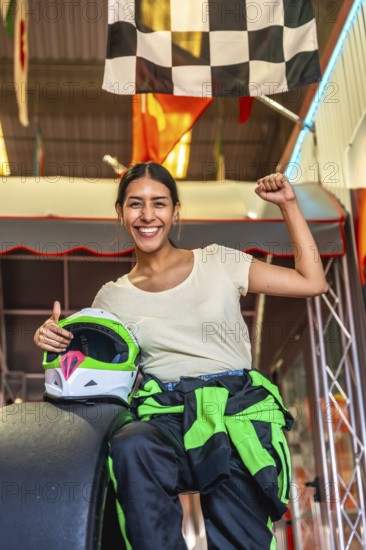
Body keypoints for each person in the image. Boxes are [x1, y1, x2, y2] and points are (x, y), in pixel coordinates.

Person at [34, 162, 327, 550]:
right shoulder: (111, 296)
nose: (148, 215)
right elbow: (89, 361)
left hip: (234, 411)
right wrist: (54, 338)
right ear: (120, 212)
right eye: (135, 204)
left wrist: (288, 205)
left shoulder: (218, 262)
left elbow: (313, 282)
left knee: (242, 538)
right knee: (131, 443)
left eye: (159, 203)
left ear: (175, 211)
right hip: (165, 416)